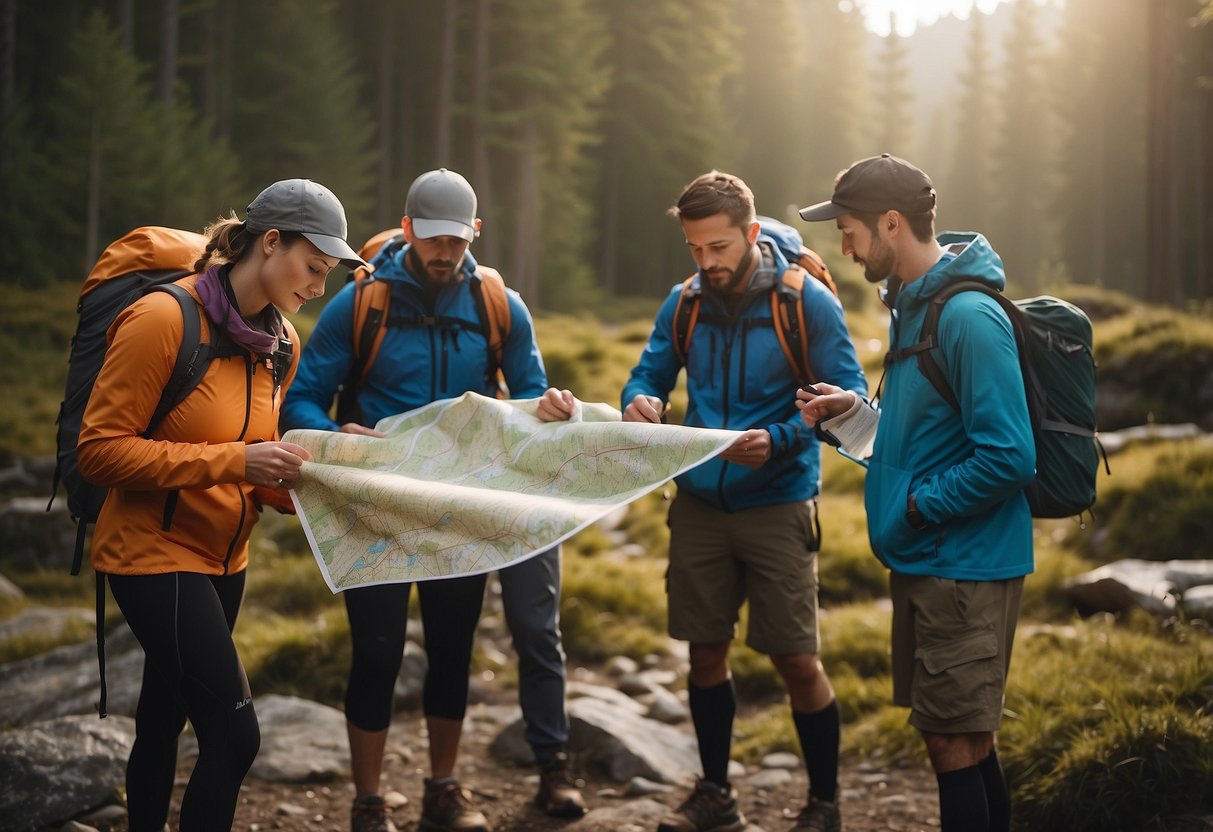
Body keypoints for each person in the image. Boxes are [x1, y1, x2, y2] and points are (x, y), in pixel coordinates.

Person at [281, 168, 584, 832]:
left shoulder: (496, 302)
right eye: (432, 239)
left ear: (473, 232)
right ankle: (368, 801)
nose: (444, 253)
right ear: (409, 227)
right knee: (379, 652)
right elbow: (299, 396)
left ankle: (441, 790)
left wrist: (551, 405)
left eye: (456, 240)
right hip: (375, 503)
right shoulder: (361, 301)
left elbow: (529, 391)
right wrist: (334, 435)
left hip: (458, 503)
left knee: (452, 648)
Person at [77, 179, 364, 831]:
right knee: (235, 739)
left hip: (225, 559)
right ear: (270, 242)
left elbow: (259, 472)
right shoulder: (163, 319)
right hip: (149, 553)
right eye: (313, 268)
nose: (319, 287)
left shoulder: (278, 345)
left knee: (162, 720)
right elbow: (100, 452)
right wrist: (236, 462)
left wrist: (327, 468)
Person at [796, 153, 1036, 832]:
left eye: (847, 229)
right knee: (962, 739)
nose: (841, 246)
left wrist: (916, 506)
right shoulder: (914, 309)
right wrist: (853, 417)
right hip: (931, 563)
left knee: (954, 742)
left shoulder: (964, 317)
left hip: (962, 567)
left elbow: (1007, 455)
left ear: (890, 224)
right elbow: (928, 443)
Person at [621, 170, 867, 832]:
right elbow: (648, 370)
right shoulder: (685, 302)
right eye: (696, 250)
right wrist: (638, 400)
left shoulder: (804, 301)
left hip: (778, 502)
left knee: (794, 658)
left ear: (751, 235)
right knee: (704, 653)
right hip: (699, 502)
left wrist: (781, 438)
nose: (707, 264)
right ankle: (714, 795)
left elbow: (846, 396)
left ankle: (823, 804)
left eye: (719, 249)